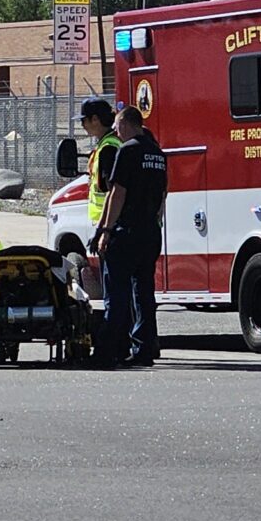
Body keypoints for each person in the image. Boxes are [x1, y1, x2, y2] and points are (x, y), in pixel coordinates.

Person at [94, 103, 167, 369]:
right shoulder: (157, 153)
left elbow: (118, 194)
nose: (116, 131)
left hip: (127, 233)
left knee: (117, 292)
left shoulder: (128, 151)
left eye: (117, 127)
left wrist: (105, 230)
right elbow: (162, 197)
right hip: (150, 232)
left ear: (125, 124)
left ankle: (109, 351)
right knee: (144, 294)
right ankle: (144, 349)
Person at [76, 96, 123, 333]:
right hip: (112, 223)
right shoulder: (107, 144)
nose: (82, 125)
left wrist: (102, 229)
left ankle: (114, 340)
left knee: (113, 287)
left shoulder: (108, 148)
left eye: (84, 120)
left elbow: (109, 189)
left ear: (96, 119)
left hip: (110, 226)